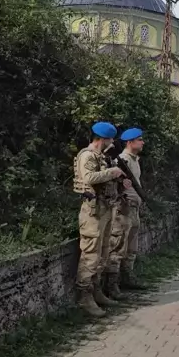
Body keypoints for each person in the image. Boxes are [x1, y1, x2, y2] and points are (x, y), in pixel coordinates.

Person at [73, 122, 125, 317]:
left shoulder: (102, 157)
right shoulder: (87, 155)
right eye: (110, 139)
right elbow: (88, 178)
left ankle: (96, 291)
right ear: (102, 139)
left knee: (103, 252)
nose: (112, 143)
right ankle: (84, 297)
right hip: (92, 213)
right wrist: (112, 172)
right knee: (91, 254)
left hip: (105, 209)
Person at [106, 127, 150, 299]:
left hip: (133, 208)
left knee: (131, 247)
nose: (143, 142)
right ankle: (112, 285)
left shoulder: (134, 160)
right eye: (139, 139)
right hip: (124, 207)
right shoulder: (122, 160)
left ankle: (128, 277)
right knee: (118, 246)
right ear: (130, 142)